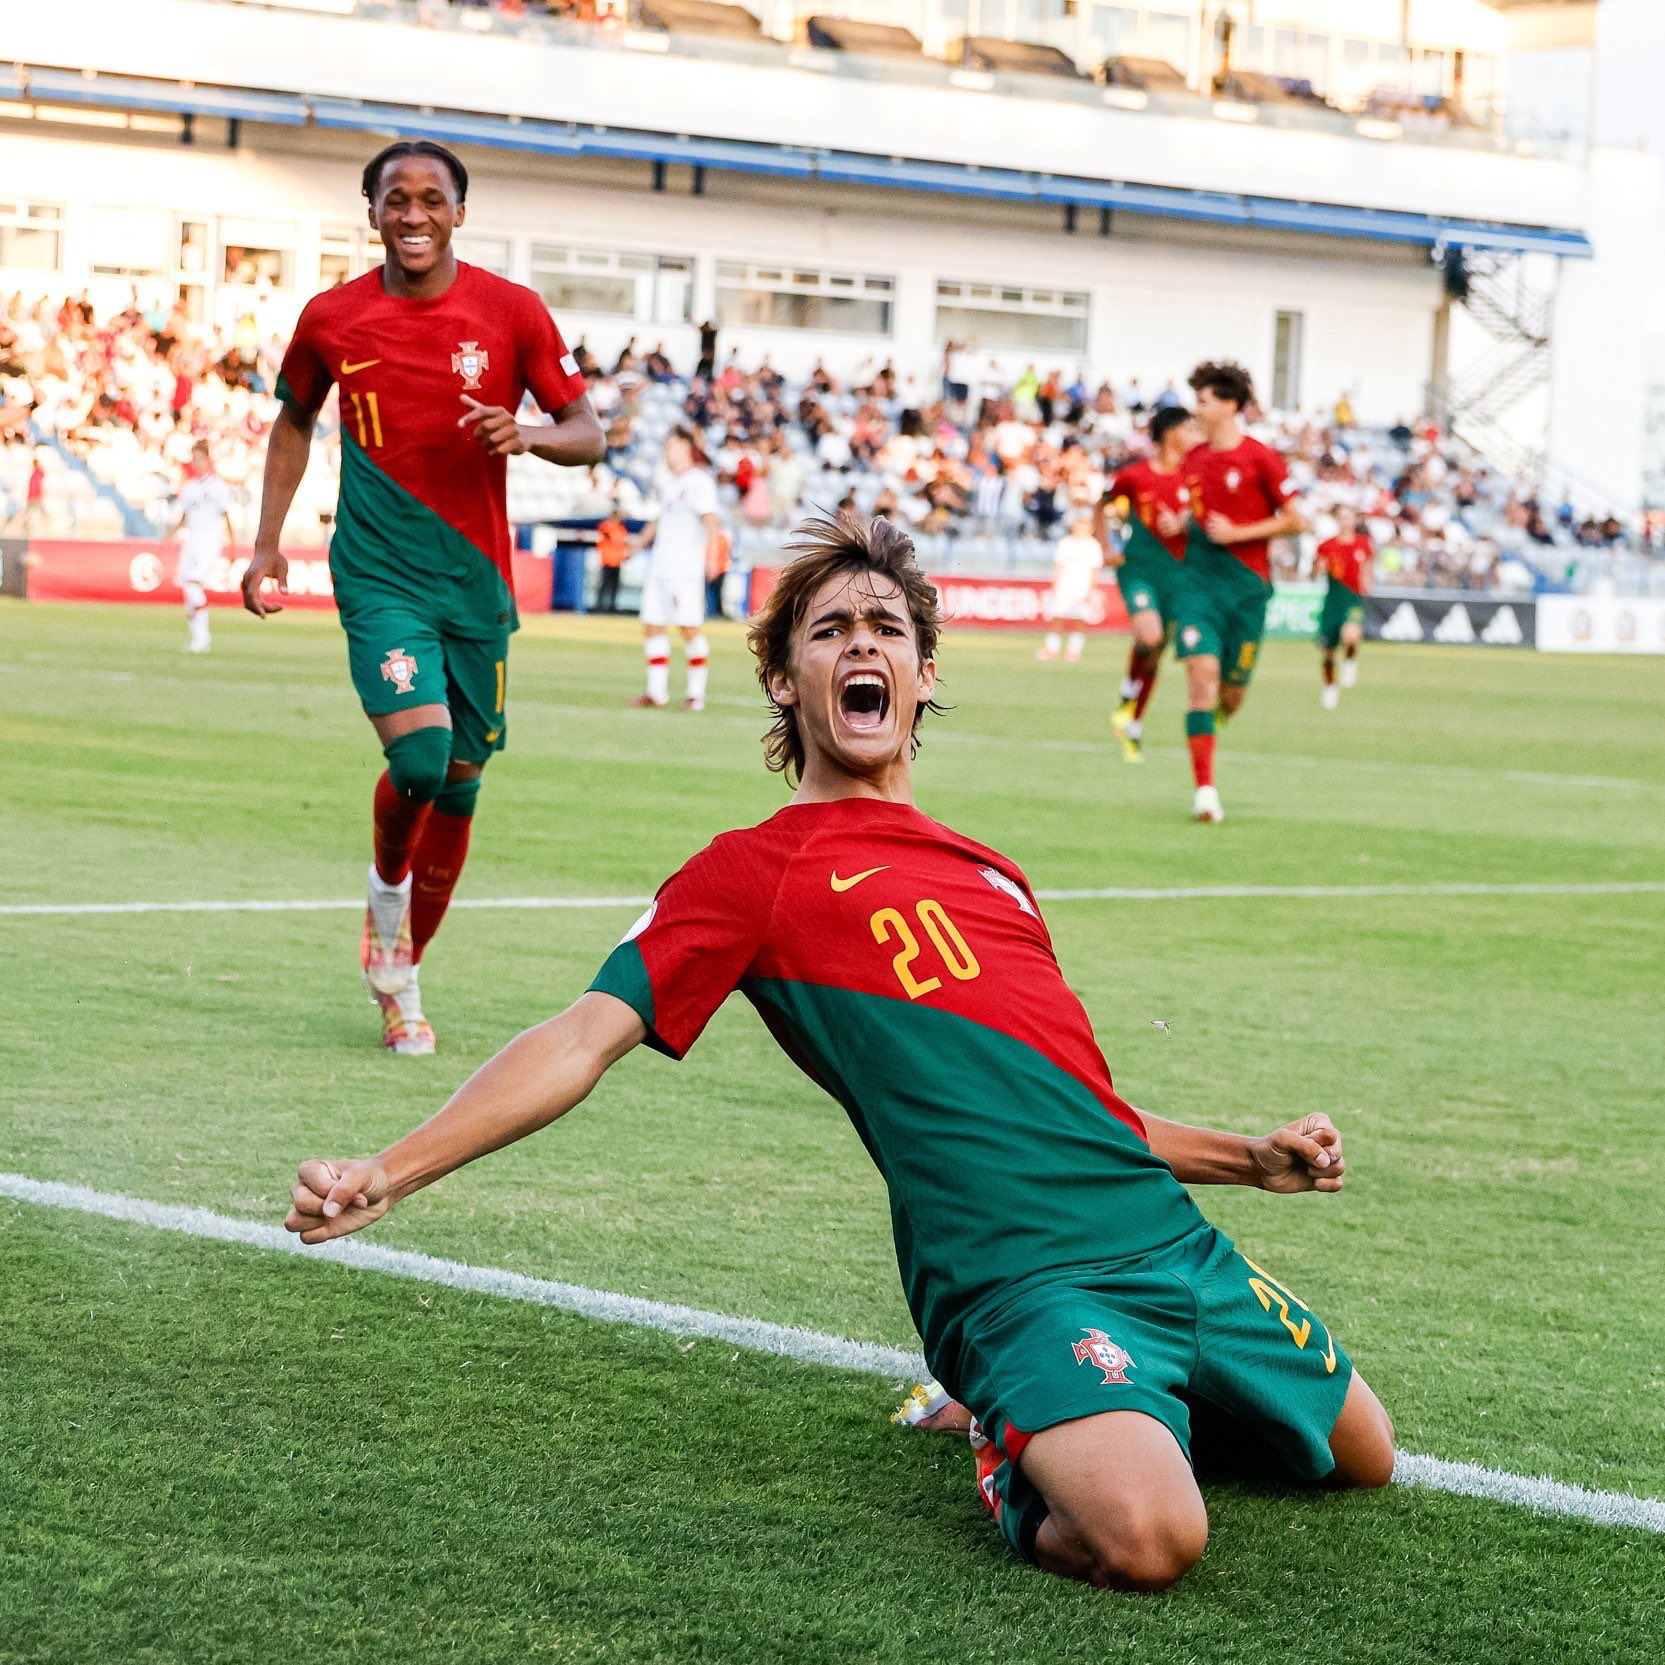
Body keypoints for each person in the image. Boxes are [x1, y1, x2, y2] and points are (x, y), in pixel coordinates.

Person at [284, 513, 1395, 1592]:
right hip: (1017, 1279)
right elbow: (580, 1037)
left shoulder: (991, 871)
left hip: (1169, 1242)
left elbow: (1077, 1111)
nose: (862, 643)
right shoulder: (750, 874)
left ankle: (1109, 1407)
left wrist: (1249, 1159)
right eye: (829, 630)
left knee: (1362, 1457)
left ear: (921, 674)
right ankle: (1002, 1427)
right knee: (1152, 1542)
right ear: (785, 680)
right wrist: (394, 1168)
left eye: (886, 628)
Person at [239, 138, 604, 1055]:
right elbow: (292, 420)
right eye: (394, 198)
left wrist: (526, 434)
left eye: (431, 199)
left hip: (476, 585)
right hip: (379, 573)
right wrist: (267, 541)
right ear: (370, 212)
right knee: (421, 762)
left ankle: (399, 972)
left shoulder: (512, 311)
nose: (413, 214)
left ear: (459, 213)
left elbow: (587, 431)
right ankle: (386, 891)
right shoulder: (332, 318)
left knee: (463, 783)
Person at [1176, 363, 1304, 823]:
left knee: (1230, 696)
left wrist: (1237, 533)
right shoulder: (1192, 460)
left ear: (1229, 405)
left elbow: (1297, 520)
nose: (1196, 409)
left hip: (1248, 591)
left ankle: (1210, 730)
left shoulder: (1260, 458)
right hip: (1198, 588)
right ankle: (1205, 792)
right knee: (1202, 677)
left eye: (1204, 400)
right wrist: (1181, 523)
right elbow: (1195, 515)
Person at [1103, 406, 1197, 763]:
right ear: (1170, 433)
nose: (1193, 435)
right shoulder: (1135, 475)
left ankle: (1133, 721)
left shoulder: (1194, 475)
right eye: (1188, 429)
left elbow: (1208, 516)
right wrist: (1104, 546)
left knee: (1156, 653)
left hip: (1180, 575)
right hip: (1140, 568)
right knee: (1150, 636)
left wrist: (1186, 523)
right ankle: (1128, 694)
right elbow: (1101, 504)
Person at [632, 428, 722, 712]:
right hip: (660, 565)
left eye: (671, 446)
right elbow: (659, 521)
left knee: (689, 626)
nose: (666, 452)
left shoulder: (699, 482)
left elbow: (711, 522)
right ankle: (656, 691)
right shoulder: (671, 483)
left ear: (685, 448)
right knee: (652, 624)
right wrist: (637, 545)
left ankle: (696, 694)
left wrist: (712, 557)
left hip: (684, 567)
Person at [166, 440, 235, 654]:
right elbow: (184, 517)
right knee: (187, 588)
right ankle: (196, 635)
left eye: (199, 458)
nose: (196, 463)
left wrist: (232, 545)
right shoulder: (189, 488)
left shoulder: (218, 487)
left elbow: (226, 515)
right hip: (192, 541)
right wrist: (169, 536)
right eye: (193, 459)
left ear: (207, 460)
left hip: (209, 541)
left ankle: (203, 638)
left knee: (194, 585)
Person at [1315, 505, 1371, 709]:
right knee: (1328, 652)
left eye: (1349, 517)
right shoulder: (1326, 546)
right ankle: (1330, 687)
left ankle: (1349, 662)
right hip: (1333, 600)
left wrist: (1367, 585)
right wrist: (1318, 569)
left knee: (1351, 635)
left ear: (1354, 520)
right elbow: (1314, 572)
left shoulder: (1363, 543)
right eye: (1342, 517)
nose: (1346, 521)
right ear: (1337, 520)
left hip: (1352, 598)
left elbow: (1368, 567)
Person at [1036, 514, 1104, 663]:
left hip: (1083, 587)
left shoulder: (1093, 546)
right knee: (1057, 617)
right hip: (1065, 586)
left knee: (1080, 619)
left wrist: (1091, 589)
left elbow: (1095, 570)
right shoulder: (1065, 543)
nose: (1080, 530)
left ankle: (1074, 651)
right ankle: (1052, 649)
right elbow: (1058, 565)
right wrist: (1055, 584)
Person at [594, 509, 629, 615]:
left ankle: (611, 606)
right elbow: (613, 539)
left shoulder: (621, 528)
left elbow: (623, 542)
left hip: (617, 561)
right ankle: (599, 606)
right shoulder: (606, 526)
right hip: (608, 560)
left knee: (615, 585)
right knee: (604, 584)